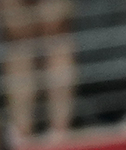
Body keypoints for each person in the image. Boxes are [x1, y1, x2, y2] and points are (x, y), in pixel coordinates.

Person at [2, 0, 74, 138]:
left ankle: (59, 132)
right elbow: (16, 28)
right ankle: (21, 132)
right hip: (22, 43)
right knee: (19, 55)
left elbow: (53, 23)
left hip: (52, 40)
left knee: (60, 49)